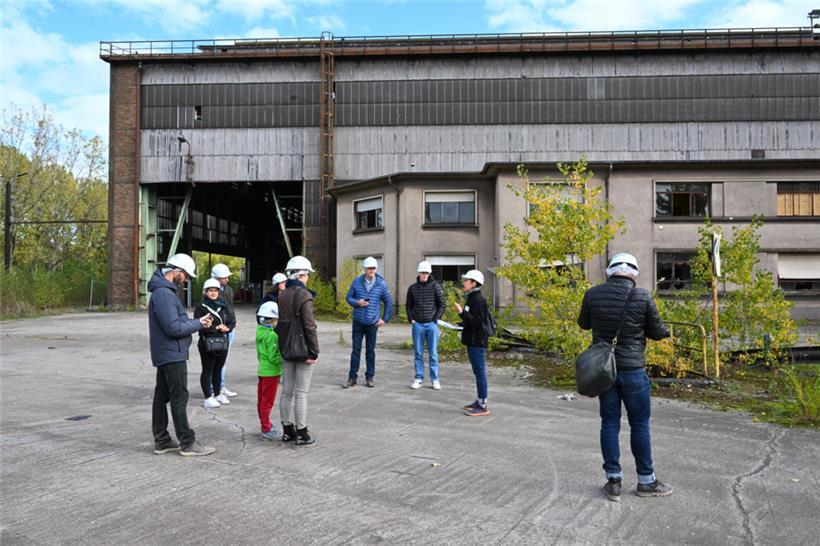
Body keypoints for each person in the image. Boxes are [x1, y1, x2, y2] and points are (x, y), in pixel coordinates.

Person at [577, 252, 673, 502]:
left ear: (610, 271)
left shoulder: (592, 294)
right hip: (633, 371)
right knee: (639, 424)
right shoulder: (642, 296)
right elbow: (657, 331)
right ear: (634, 274)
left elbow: (584, 324)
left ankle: (614, 481)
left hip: (604, 372)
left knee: (609, 423)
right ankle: (646, 481)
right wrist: (665, 331)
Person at [148, 253, 216, 457]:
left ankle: (162, 441)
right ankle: (187, 442)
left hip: (167, 352)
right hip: (172, 353)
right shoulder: (164, 294)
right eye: (185, 275)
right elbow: (173, 328)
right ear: (175, 271)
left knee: (162, 395)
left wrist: (196, 322)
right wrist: (199, 324)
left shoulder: (163, 292)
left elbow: (174, 322)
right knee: (179, 397)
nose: (186, 279)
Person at [276, 256, 320, 446]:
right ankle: (302, 433)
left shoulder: (282, 295)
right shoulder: (305, 295)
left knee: (286, 392)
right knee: (301, 393)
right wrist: (314, 351)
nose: (308, 278)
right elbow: (309, 325)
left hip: (286, 347)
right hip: (302, 349)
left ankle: (287, 431)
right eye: (307, 274)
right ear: (302, 274)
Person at [344, 256, 393, 388]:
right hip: (358, 322)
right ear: (364, 269)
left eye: (373, 268)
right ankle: (352, 378)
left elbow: (389, 302)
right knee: (356, 350)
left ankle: (369, 377)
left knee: (370, 351)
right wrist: (357, 303)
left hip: (373, 324)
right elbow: (348, 297)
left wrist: (385, 319)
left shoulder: (381, 284)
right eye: (369, 268)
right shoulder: (356, 282)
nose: (371, 270)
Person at [193, 278, 236, 409]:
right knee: (208, 369)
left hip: (223, 341)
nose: (213, 293)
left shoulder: (223, 305)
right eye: (210, 291)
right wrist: (215, 328)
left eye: (215, 290)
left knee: (218, 368)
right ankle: (208, 397)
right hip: (207, 342)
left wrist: (227, 328)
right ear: (205, 292)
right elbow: (198, 324)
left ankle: (217, 394)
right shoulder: (201, 308)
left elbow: (232, 321)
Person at [454, 269, 492, 417]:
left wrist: (461, 312)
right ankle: (479, 401)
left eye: (467, 280)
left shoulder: (479, 300)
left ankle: (483, 406)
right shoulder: (471, 298)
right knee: (478, 373)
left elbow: (478, 322)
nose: (464, 283)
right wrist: (460, 323)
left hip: (477, 342)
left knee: (480, 373)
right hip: (472, 340)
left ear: (474, 283)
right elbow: (471, 320)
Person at [406, 260, 446, 390]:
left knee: (433, 353)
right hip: (417, 324)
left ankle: (435, 379)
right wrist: (411, 319)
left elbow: (442, 304)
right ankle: (419, 378)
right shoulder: (412, 288)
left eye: (426, 273)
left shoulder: (435, 286)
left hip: (431, 325)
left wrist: (436, 319)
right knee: (418, 353)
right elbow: (408, 305)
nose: (424, 275)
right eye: (422, 273)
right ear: (419, 272)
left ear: (429, 273)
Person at [256, 301, 282, 441]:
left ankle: (264, 423)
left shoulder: (259, 331)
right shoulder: (272, 336)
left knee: (261, 400)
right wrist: (283, 360)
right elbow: (274, 357)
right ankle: (266, 427)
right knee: (268, 401)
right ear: (273, 320)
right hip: (271, 372)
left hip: (262, 370)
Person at [211, 264, 238, 397]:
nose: (227, 279)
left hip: (229, 328)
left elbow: (230, 310)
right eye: (224, 277)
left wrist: (231, 326)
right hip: (219, 330)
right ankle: (214, 388)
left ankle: (220, 386)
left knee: (224, 360)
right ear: (216, 277)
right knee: (216, 360)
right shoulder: (211, 291)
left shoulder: (228, 290)